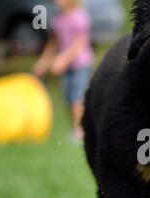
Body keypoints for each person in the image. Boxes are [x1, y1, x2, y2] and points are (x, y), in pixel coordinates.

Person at [32, 0, 93, 141]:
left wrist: (62, 59)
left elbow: (79, 44)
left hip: (80, 64)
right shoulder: (57, 20)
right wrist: (42, 63)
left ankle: (80, 130)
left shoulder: (79, 17)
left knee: (76, 97)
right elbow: (52, 45)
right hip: (65, 67)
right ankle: (76, 128)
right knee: (67, 98)